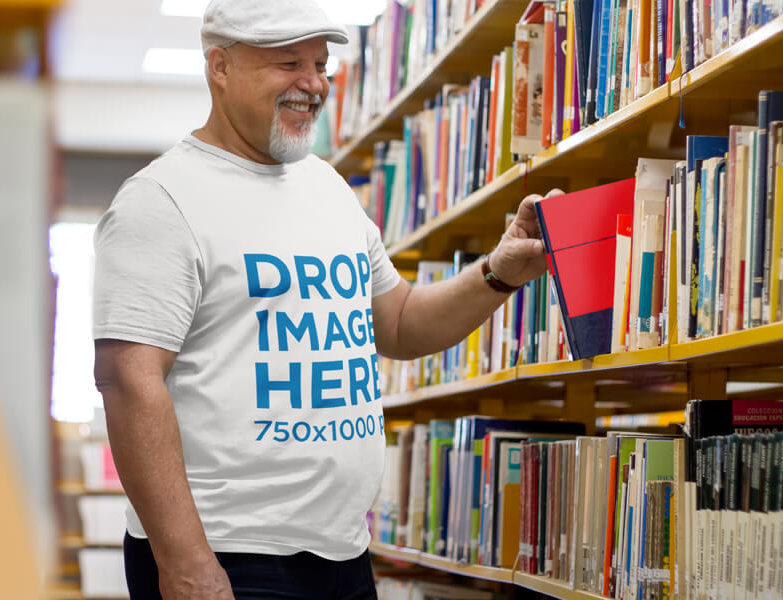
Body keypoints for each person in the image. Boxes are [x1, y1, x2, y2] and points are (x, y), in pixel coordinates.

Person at [92, 0, 558, 598]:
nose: (313, 84)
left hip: (341, 551)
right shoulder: (160, 200)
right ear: (220, 67)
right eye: (289, 63)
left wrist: (499, 273)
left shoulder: (327, 186)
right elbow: (128, 381)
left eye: (320, 63)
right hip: (229, 554)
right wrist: (185, 560)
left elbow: (400, 324)